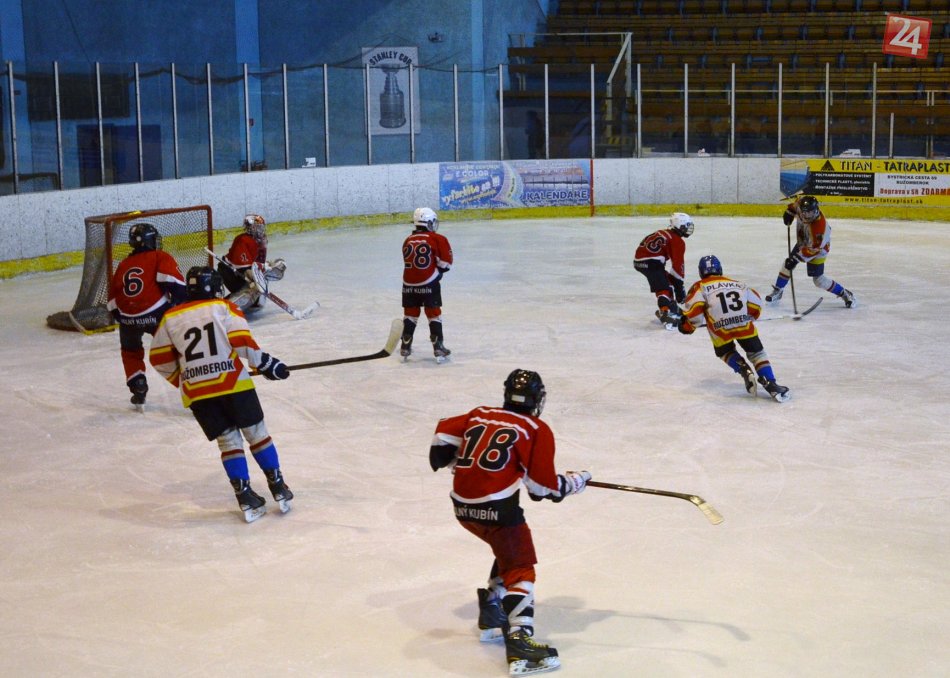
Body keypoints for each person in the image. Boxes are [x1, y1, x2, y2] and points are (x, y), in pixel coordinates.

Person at [429, 369, 591, 675]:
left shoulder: (479, 414)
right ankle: (520, 644)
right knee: (520, 567)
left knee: (504, 549)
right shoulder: (535, 428)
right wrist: (575, 482)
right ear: (537, 399)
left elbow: (440, 443)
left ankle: (492, 611)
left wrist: (457, 463)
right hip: (498, 510)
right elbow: (543, 489)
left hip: (463, 507)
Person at [148, 266, 294, 522]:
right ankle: (278, 486)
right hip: (234, 385)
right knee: (257, 434)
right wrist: (267, 364)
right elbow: (242, 341)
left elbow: (159, 359)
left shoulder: (170, 317)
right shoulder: (224, 307)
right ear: (215, 287)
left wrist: (186, 379)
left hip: (198, 394)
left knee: (228, 441)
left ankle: (245, 495)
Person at [678, 255, 790, 402]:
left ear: (701, 272)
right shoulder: (737, 283)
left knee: (724, 351)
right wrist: (747, 317)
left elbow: (695, 316)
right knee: (757, 353)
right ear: (720, 269)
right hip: (743, 324)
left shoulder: (700, 286)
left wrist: (686, 327)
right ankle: (771, 383)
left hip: (720, 328)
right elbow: (756, 305)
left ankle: (743, 368)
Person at [107, 222, 187, 411]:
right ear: (150, 241)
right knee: (179, 348)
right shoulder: (159, 256)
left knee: (130, 351)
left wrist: (127, 319)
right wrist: (178, 305)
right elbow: (175, 283)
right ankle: (195, 386)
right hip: (156, 313)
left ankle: (138, 386)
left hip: (127, 317)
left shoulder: (124, 264)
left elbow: (112, 303)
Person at [765, 195, 855, 308]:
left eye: (810, 212)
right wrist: (789, 212)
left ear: (816, 210)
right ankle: (778, 291)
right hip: (803, 241)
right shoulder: (800, 205)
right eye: (804, 212)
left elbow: (813, 249)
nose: (806, 215)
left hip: (818, 249)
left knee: (818, 280)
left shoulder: (820, 228)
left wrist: (795, 259)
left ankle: (844, 293)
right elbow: (794, 206)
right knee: (787, 265)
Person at [400, 207, 453, 362]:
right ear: (429, 223)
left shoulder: (408, 240)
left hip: (408, 283)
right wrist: (438, 272)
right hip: (429, 283)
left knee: (410, 314)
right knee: (433, 312)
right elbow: (446, 264)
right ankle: (438, 346)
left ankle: (405, 345)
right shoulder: (437, 238)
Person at [633, 212, 694, 327]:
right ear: (680, 226)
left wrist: (675, 283)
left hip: (639, 261)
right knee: (665, 287)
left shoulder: (662, 232)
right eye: (686, 226)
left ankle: (671, 306)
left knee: (666, 281)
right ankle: (665, 311)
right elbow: (678, 267)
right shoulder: (677, 241)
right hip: (651, 262)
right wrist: (679, 289)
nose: (688, 228)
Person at [217, 214, 287, 314]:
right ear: (249, 227)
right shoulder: (243, 239)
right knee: (251, 289)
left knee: (258, 285)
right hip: (230, 272)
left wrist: (267, 267)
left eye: (261, 227)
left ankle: (253, 302)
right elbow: (243, 267)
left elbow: (257, 264)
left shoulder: (262, 240)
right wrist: (258, 275)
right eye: (256, 227)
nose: (259, 229)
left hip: (242, 270)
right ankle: (226, 310)